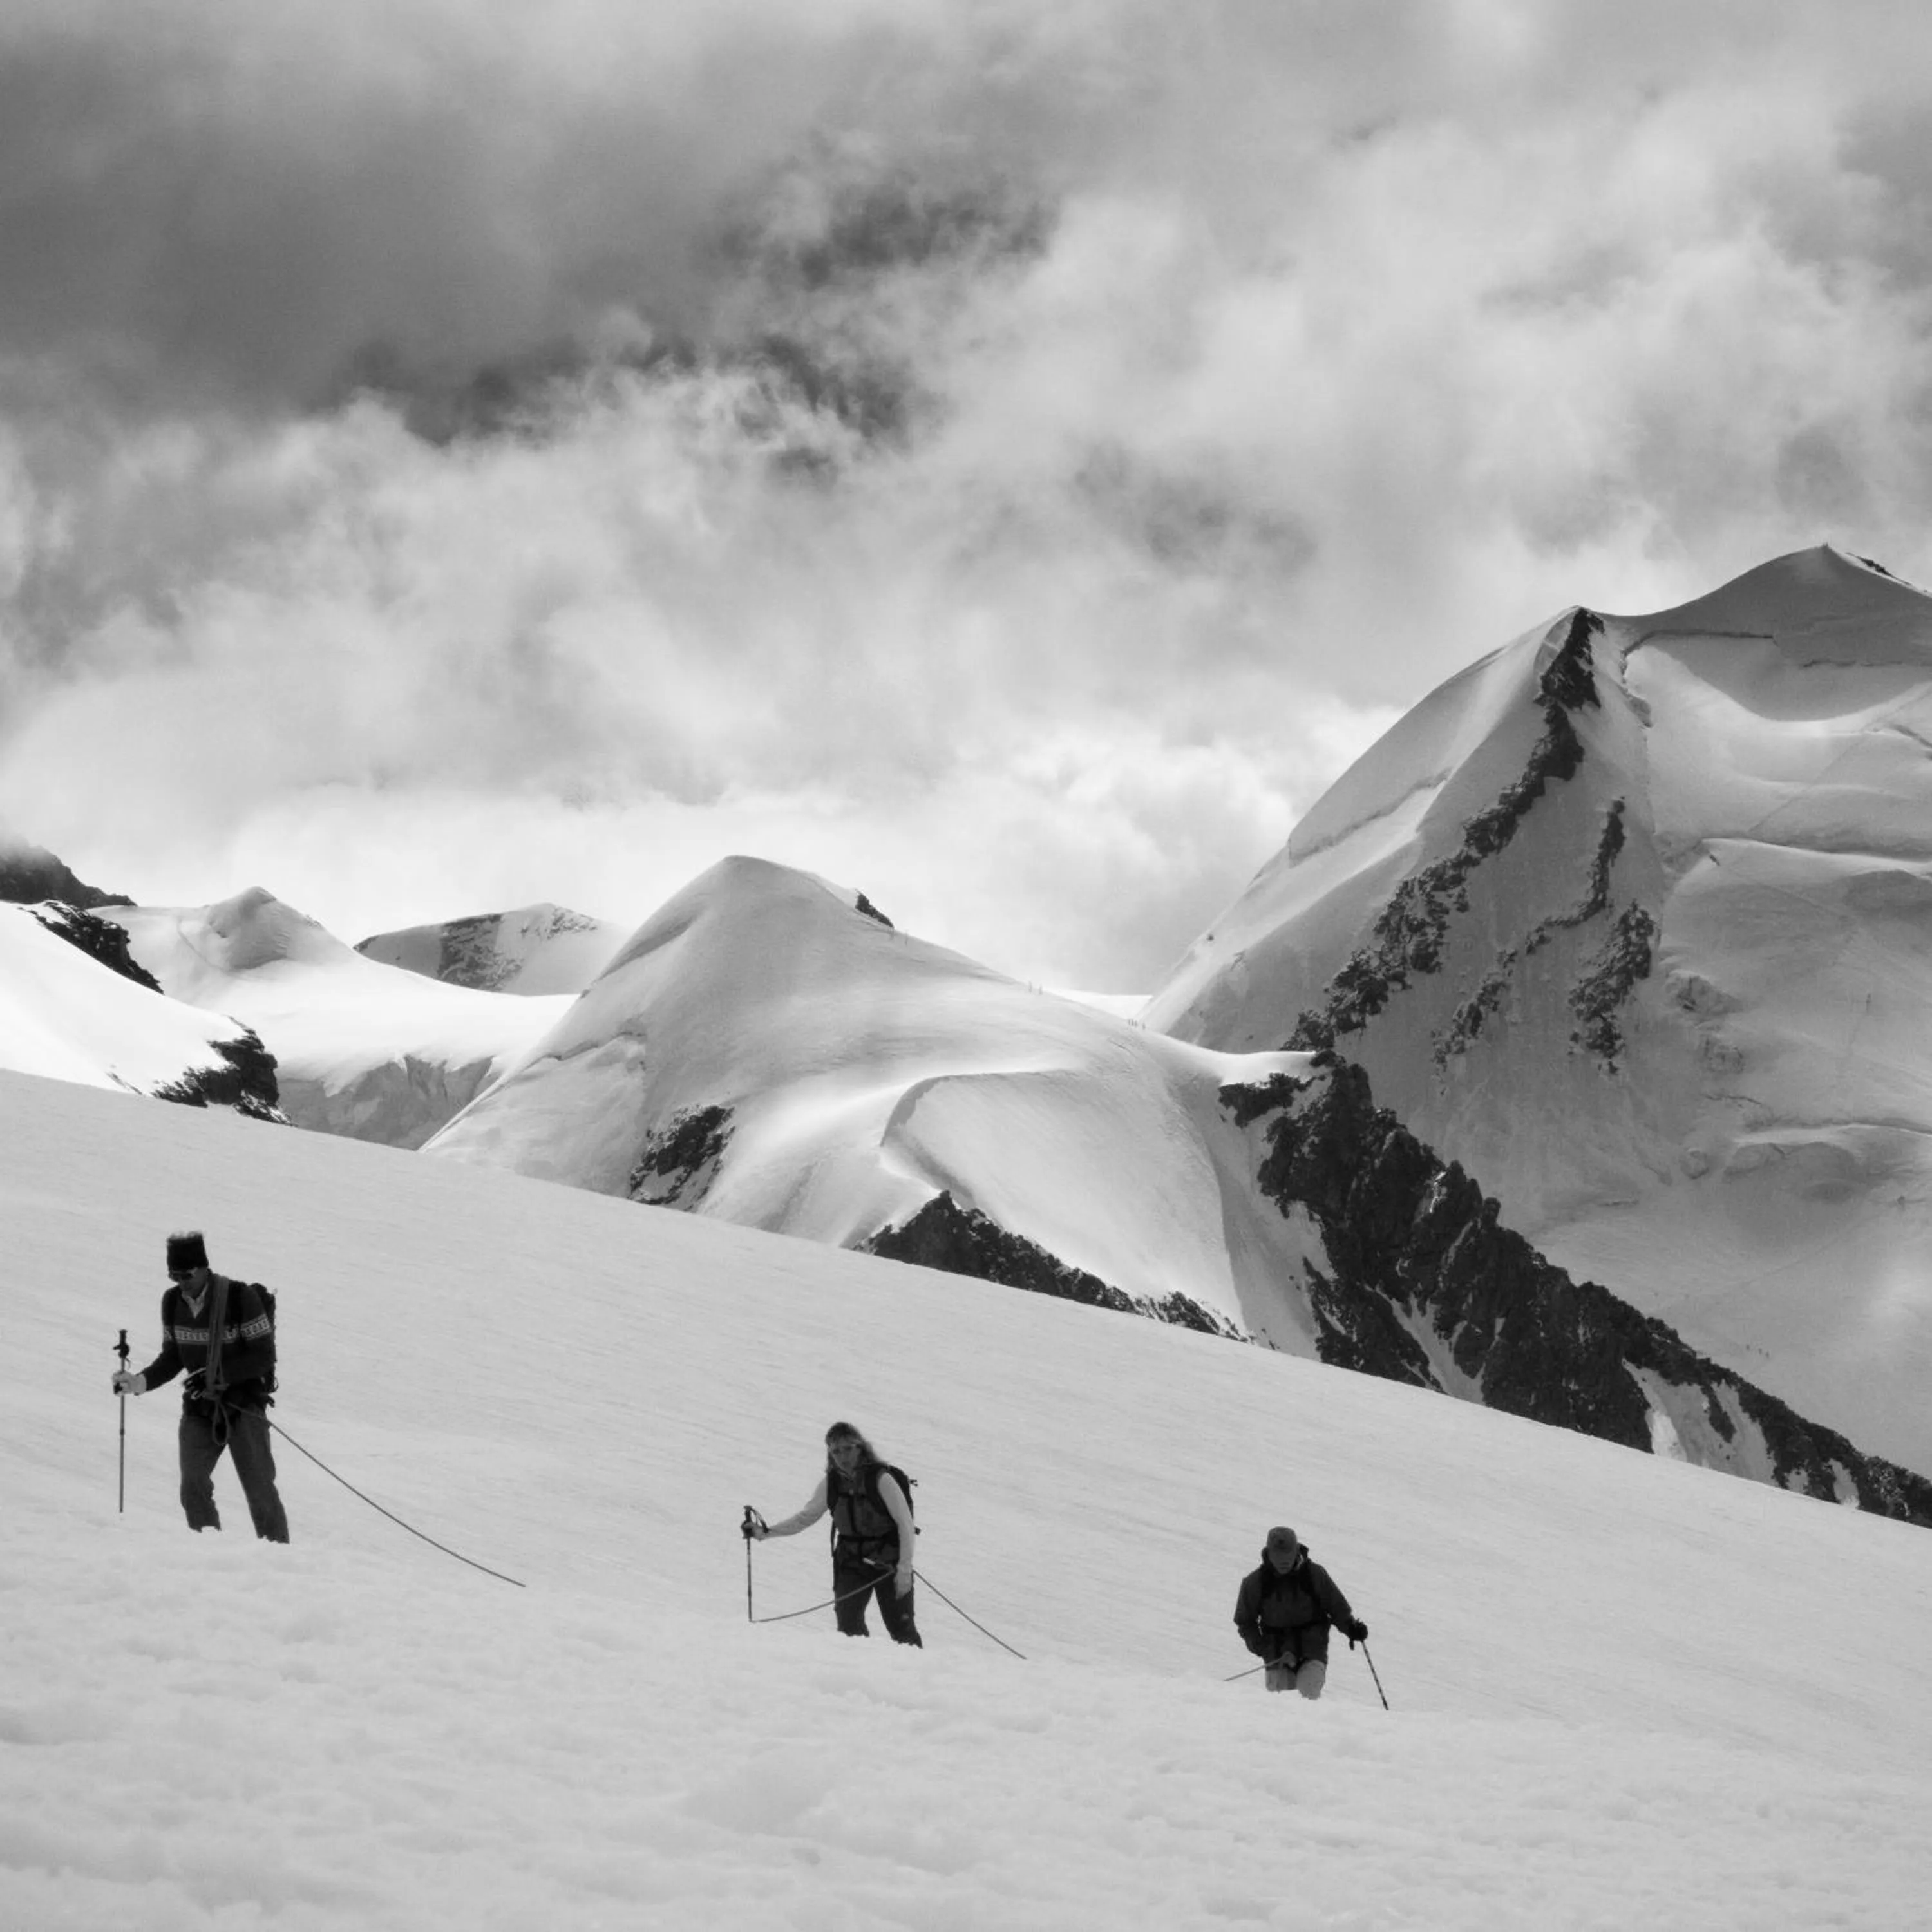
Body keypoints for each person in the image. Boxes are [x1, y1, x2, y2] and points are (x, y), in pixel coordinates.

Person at [111, 1231, 289, 1542]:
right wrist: (138, 1383)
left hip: (243, 1406)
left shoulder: (239, 1298)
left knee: (260, 1490)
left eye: (187, 1274)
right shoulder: (171, 1302)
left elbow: (263, 1356)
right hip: (199, 1408)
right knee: (192, 1485)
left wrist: (215, 1375)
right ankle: (209, 1552)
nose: (181, 1282)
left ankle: (279, 1560)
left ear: (204, 1267)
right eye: (174, 1275)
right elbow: (172, 1356)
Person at [750, 1421, 921, 1645]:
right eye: (836, 1451)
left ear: (860, 1448)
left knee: (902, 1630)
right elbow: (806, 1517)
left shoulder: (881, 1479)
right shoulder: (832, 1483)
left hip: (888, 1564)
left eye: (848, 1448)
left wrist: (904, 1570)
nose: (842, 1456)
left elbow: (905, 1525)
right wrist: (766, 1532)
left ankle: (918, 1677)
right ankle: (859, 1673)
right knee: (848, 1627)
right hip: (851, 1563)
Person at [1233, 1525, 1365, 1698]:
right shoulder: (1255, 1583)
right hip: (1276, 1655)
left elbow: (1336, 1606)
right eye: (1279, 1557)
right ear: (1269, 1554)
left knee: (1308, 1694)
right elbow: (1245, 1621)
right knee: (1280, 1703)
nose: (1284, 1562)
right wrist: (1261, 1647)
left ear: (1296, 1551)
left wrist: (1351, 1628)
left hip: (1312, 1650)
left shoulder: (1314, 1575)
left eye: (1287, 1556)